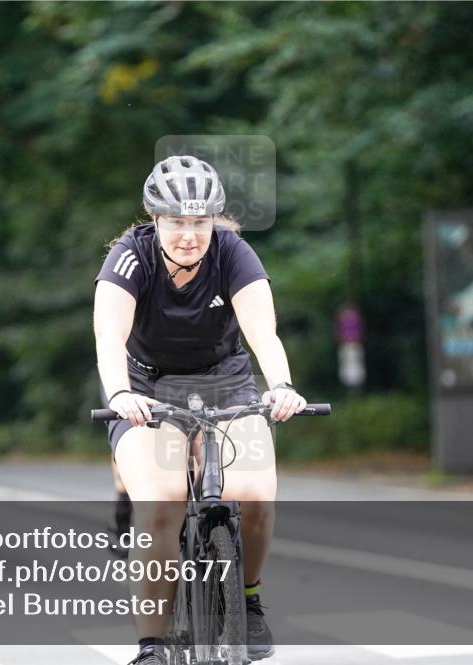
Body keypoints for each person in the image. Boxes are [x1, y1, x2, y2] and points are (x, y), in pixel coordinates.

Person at [94, 155, 306, 665]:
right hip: (147, 387)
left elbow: (262, 333)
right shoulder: (130, 257)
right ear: (156, 220)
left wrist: (280, 385)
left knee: (256, 492)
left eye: (199, 222)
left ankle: (249, 599)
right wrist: (121, 395)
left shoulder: (234, 254)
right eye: (176, 222)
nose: (189, 235)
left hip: (225, 384)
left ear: (214, 220)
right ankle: (152, 645)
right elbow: (109, 335)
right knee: (162, 500)